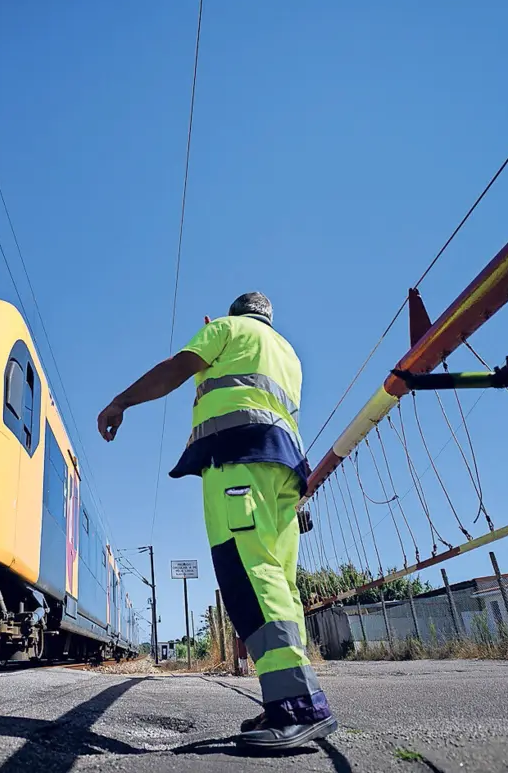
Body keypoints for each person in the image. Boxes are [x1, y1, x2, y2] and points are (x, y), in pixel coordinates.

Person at [97, 291, 337, 751]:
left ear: (233, 315)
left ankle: (298, 708)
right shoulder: (287, 352)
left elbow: (174, 370)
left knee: (251, 578)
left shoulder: (226, 331)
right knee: (280, 583)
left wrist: (120, 401)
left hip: (239, 467)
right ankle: (285, 698)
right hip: (283, 473)